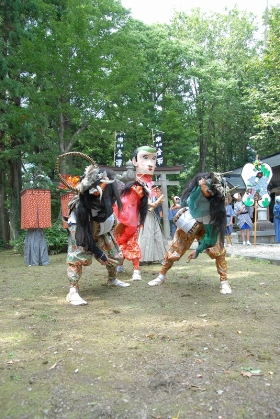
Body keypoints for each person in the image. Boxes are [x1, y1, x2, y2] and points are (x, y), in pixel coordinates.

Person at [148, 172, 232, 295]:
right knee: (175, 249)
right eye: (202, 184)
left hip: (206, 226)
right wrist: (180, 205)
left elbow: (210, 239)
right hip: (188, 222)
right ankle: (161, 275)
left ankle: (224, 282)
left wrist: (197, 250)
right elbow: (190, 201)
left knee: (218, 250)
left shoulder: (214, 212)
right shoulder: (196, 190)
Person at [65, 164, 130, 306]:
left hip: (102, 230)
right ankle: (73, 291)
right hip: (82, 232)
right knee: (76, 258)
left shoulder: (107, 200)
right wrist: (98, 253)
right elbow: (84, 236)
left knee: (116, 256)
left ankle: (112, 279)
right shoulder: (80, 207)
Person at [114, 145, 163, 279]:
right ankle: (121, 266)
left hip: (134, 220)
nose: (150, 163)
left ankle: (136, 269)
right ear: (134, 161)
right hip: (125, 219)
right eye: (145, 158)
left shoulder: (144, 186)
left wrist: (153, 203)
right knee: (121, 242)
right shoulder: (134, 185)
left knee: (131, 242)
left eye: (153, 159)